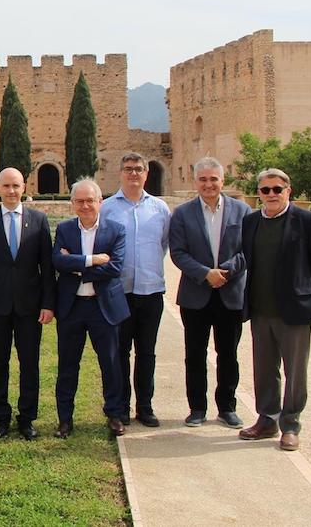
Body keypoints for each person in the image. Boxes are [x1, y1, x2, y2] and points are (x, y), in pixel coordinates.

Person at [0, 167, 56, 440]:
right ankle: (0, 417)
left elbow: (47, 266)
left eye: (16, 186)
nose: (11, 191)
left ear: (24, 187)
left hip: (30, 307)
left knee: (29, 363)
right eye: (6, 186)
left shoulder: (39, 220)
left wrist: (48, 304)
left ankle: (27, 418)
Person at [238, 168, 311, 452]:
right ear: (259, 194)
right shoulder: (250, 222)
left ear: (288, 191)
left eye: (277, 189)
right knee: (264, 369)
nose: (271, 194)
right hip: (260, 309)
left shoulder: (307, 221)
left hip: (294, 311)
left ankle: (291, 425)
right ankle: (267, 420)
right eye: (265, 190)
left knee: (295, 371)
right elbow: (244, 259)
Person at [169, 156, 250, 428]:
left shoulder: (242, 211)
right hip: (196, 294)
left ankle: (227, 407)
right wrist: (205, 274)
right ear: (195, 182)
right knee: (195, 354)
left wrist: (224, 272)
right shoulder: (182, 214)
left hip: (230, 293)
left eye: (213, 179)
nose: (208, 184)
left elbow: (248, 250)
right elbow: (178, 253)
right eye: (203, 179)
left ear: (222, 180)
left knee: (228, 354)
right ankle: (197, 408)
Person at [53, 178, 129, 438]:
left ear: (101, 202)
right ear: (72, 203)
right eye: (79, 201)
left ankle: (115, 415)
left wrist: (75, 266)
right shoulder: (64, 229)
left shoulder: (116, 230)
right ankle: (65, 419)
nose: (85, 206)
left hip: (103, 307)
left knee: (110, 363)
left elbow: (116, 267)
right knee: (67, 365)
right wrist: (92, 260)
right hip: (71, 307)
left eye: (90, 200)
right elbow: (56, 262)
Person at [100, 152, 171, 427]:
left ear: (146, 173)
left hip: (151, 290)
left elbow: (162, 244)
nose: (133, 174)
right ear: (120, 172)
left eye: (138, 169)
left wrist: (148, 268)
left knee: (147, 352)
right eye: (128, 168)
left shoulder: (160, 209)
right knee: (119, 352)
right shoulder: (107, 208)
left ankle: (145, 407)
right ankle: (120, 408)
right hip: (119, 291)